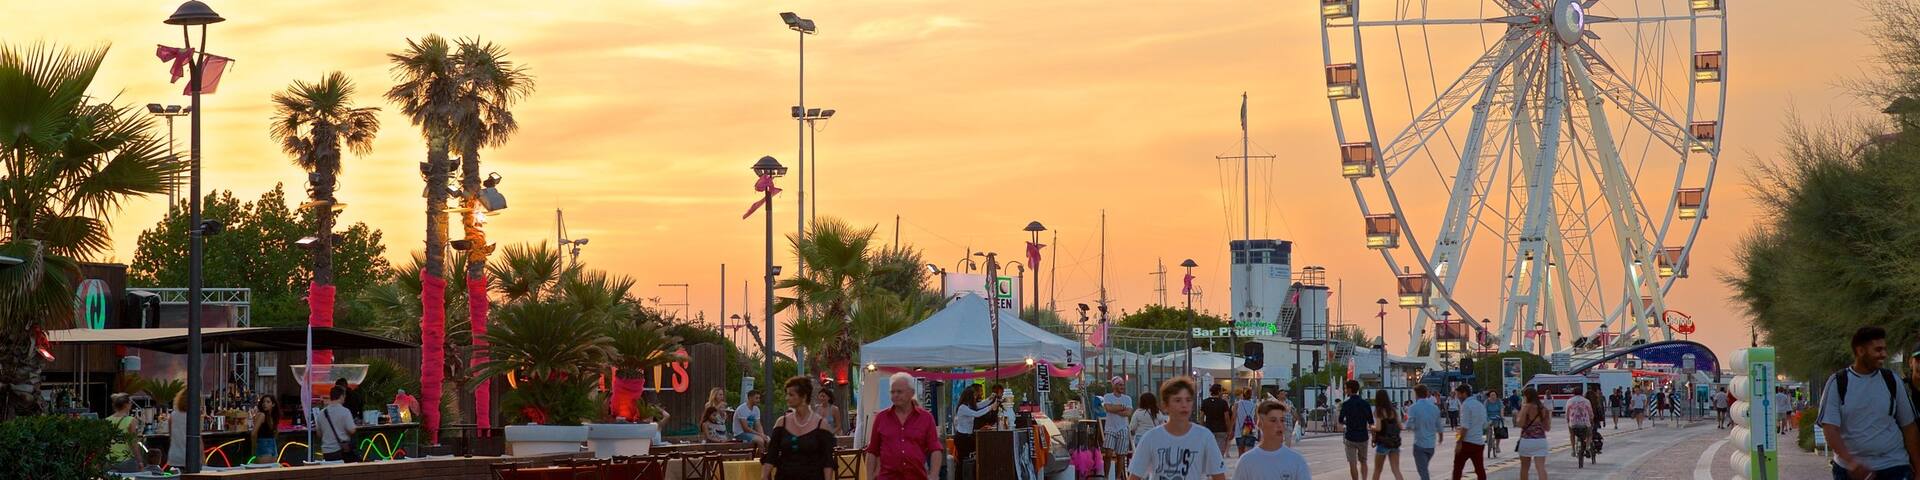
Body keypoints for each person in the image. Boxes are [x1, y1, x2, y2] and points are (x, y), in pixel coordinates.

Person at [1819, 326, 1920, 480]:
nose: (1884, 354)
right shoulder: (1838, 382)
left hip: (1894, 466)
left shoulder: (1892, 380)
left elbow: (1909, 427)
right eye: (1878, 350)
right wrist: (1851, 462)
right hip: (1851, 471)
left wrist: (1918, 468)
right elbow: (1830, 429)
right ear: (1860, 351)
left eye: (1885, 349)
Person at [1125, 376, 1227, 480]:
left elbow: (1219, 475)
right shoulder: (1151, 438)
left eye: (1188, 400)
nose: (1184, 405)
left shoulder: (1204, 437)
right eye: (1177, 400)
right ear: (1165, 405)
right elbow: (1134, 476)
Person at [760, 377, 834, 480]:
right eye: (787, 394)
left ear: (803, 396)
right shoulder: (781, 423)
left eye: (791, 394)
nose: (787, 398)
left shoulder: (821, 424)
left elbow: (827, 461)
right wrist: (764, 477)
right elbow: (771, 456)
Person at [1231, 400, 1311, 480]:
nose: (1279, 425)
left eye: (1282, 420)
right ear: (1260, 424)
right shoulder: (1246, 461)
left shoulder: (1297, 461)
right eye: (1273, 420)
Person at [1337, 380, 1373, 480]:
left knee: (1352, 463)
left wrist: (1347, 422)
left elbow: (1340, 420)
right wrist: (1374, 436)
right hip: (1363, 437)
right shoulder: (1365, 404)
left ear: (1349, 389)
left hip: (1350, 437)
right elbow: (1371, 421)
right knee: (1363, 461)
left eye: (1345, 388)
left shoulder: (1346, 404)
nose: (1345, 390)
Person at [1450, 384, 1487, 480]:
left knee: (1458, 468)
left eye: (1458, 394)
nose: (1457, 397)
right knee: (1479, 469)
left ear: (1464, 394)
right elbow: (1484, 424)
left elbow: (1465, 427)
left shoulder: (1465, 405)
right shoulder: (1480, 405)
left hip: (1467, 442)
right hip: (1479, 442)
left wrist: (1459, 442)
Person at [1406, 385, 1441, 480]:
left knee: (1423, 471)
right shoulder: (1434, 408)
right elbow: (1439, 425)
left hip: (1419, 444)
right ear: (1426, 394)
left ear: (1416, 394)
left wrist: (1410, 426)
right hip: (1431, 446)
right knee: (1424, 469)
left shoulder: (1413, 408)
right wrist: (1441, 437)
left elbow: (1409, 425)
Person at [1514, 387, 1550, 480]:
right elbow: (1547, 428)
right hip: (1541, 441)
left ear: (1526, 396)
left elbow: (1520, 423)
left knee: (1525, 468)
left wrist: (1517, 416)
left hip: (1527, 440)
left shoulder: (1526, 407)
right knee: (1541, 468)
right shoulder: (1544, 409)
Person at [953, 384, 993, 462]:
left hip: (968, 437)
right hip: (962, 437)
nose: (975, 397)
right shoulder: (963, 408)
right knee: (963, 460)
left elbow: (980, 405)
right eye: (974, 396)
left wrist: (990, 399)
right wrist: (991, 407)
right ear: (969, 396)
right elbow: (977, 414)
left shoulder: (969, 406)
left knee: (968, 459)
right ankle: (961, 474)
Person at [1369, 390, 1404, 480]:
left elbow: (1378, 428)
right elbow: (1401, 426)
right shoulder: (1393, 411)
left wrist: (1371, 427)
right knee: (1396, 470)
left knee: (1377, 470)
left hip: (1383, 443)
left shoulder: (1379, 411)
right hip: (1394, 443)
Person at [318, 386, 358, 463]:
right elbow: (352, 430)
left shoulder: (321, 413)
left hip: (326, 452)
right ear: (342, 396)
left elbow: (319, 434)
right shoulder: (345, 411)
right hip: (341, 451)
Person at [107, 393, 144, 472]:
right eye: (130, 402)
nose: (131, 405)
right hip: (126, 461)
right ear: (126, 405)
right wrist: (140, 461)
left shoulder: (107, 420)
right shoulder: (131, 420)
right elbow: (133, 443)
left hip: (109, 461)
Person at [1103, 378, 1136, 460]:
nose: (1122, 387)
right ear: (1114, 386)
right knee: (1108, 454)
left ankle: (1118, 473)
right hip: (1110, 428)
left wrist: (1114, 409)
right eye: (1120, 385)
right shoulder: (1107, 396)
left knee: (1121, 455)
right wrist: (1121, 408)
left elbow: (1128, 413)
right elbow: (1108, 408)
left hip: (1123, 428)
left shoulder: (1127, 398)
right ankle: (1106, 473)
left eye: (1123, 385)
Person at [1202, 384, 1232, 455]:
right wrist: (1229, 430)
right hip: (1221, 430)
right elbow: (1227, 418)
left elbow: (1201, 416)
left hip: (1209, 429)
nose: (1222, 393)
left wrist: (1202, 427)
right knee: (1219, 453)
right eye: (1221, 391)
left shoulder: (1205, 402)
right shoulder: (1223, 403)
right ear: (1218, 391)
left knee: (1210, 452)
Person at [1565, 386, 1594, 461]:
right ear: (1582, 393)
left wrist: (1568, 420)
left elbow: (1567, 413)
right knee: (1589, 434)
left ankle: (1573, 450)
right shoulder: (1586, 401)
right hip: (1584, 423)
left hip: (1573, 423)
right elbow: (1590, 413)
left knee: (1572, 434)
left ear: (1573, 393)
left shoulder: (1570, 401)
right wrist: (1591, 419)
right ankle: (1587, 448)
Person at [251, 394, 281, 464]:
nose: (265, 404)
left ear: (273, 404)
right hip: (263, 444)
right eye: (263, 402)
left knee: (271, 470)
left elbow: (275, 432)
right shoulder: (262, 415)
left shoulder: (272, 417)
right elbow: (253, 433)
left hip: (272, 444)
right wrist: (254, 451)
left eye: (268, 402)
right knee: (265, 469)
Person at [1235, 387, 1262, 454]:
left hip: (1239, 431)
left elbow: (1233, 418)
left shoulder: (1237, 404)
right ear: (1251, 395)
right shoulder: (1254, 405)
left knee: (1241, 454)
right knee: (1248, 454)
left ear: (1242, 395)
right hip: (1250, 430)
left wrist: (1230, 430)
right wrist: (1257, 429)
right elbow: (1256, 419)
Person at [166, 390, 189, 468]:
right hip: (189, 456)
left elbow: (170, 436)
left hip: (174, 456)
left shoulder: (173, 415)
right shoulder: (193, 415)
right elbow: (198, 439)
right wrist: (203, 459)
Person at [1482, 391, 1503, 458]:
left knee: (1497, 431)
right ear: (1489, 396)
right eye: (1491, 395)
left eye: (1494, 395)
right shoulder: (1486, 402)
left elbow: (1501, 409)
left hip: (1497, 417)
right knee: (1488, 428)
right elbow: (1484, 410)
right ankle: (1488, 440)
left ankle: (1497, 446)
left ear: (1496, 396)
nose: (1493, 396)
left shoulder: (1499, 401)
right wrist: (1485, 418)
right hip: (1489, 417)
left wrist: (1502, 416)